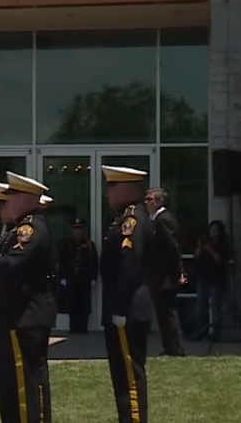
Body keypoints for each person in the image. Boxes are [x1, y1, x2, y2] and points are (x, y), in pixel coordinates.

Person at [0, 171, 57, 423]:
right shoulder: (18, 230)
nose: (4, 205)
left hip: (22, 320)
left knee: (23, 388)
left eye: (10, 197)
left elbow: (8, 265)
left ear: (26, 199)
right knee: (10, 390)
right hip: (12, 318)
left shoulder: (31, 230)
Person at [100, 166, 154, 423]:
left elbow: (128, 265)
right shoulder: (126, 218)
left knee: (129, 379)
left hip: (128, 309)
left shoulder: (131, 221)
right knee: (123, 377)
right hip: (127, 307)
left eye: (112, 186)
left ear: (126, 189)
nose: (107, 193)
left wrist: (119, 308)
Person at [144, 187, 186, 357]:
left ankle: (174, 347)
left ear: (160, 201)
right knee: (162, 313)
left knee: (166, 313)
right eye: (146, 199)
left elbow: (172, 249)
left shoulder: (162, 220)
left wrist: (177, 273)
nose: (147, 202)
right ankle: (169, 346)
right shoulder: (155, 220)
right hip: (159, 276)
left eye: (151, 199)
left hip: (164, 277)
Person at [194, 220, 233, 341]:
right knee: (201, 308)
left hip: (216, 280)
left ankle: (215, 333)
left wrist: (210, 250)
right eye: (212, 230)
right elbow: (197, 256)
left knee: (215, 307)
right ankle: (201, 331)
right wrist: (201, 247)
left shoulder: (222, 245)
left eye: (216, 230)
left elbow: (220, 260)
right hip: (204, 279)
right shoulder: (206, 242)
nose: (213, 233)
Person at [59, 218, 98, 334]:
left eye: (80, 229)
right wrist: (62, 277)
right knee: (72, 303)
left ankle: (83, 327)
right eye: (76, 229)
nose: (78, 232)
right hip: (71, 279)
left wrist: (93, 278)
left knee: (84, 304)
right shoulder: (66, 245)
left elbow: (94, 262)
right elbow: (62, 262)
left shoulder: (89, 245)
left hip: (84, 279)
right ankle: (73, 327)